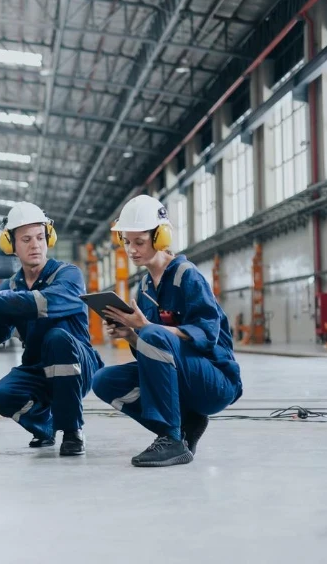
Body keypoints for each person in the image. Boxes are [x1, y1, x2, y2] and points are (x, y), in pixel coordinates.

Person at [91, 194, 243, 467]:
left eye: (139, 242)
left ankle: (171, 438)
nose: (131, 250)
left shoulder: (187, 275)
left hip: (216, 382)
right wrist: (130, 336)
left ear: (160, 238)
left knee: (152, 333)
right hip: (185, 380)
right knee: (103, 380)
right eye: (126, 242)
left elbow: (207, 335)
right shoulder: (146, 288)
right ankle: (186, 422)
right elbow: (153, 353)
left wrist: (147, 328)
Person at [0, 201, 103, 456]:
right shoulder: (10, 287)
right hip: (38, 368)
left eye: (40, 237)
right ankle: (46, 426)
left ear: (48, 239)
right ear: (11, 245)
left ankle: (72, 430)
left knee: (57, 338)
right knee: (1, 396)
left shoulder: (69, 275)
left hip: (79, 364)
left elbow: (41, 304)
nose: (35, 245)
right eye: (26, 239)